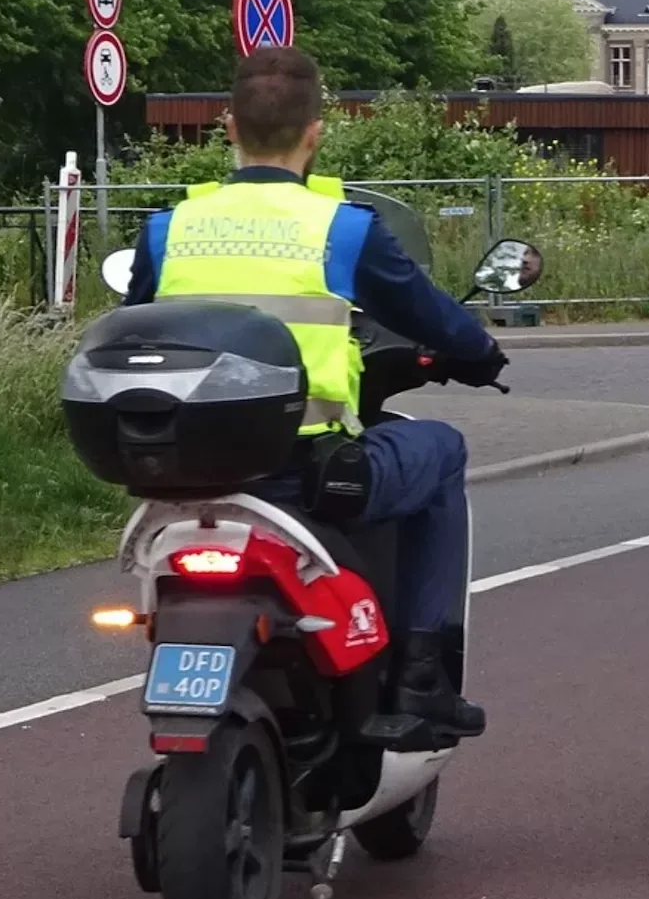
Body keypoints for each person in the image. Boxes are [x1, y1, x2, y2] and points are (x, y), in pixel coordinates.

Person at [123, 46, 504, 739]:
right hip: (307, 475)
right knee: (442, 449)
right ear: (315, 132)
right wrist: (480, 351)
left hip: (184, 477)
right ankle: (422, 674)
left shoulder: (168, 227)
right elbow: (431, 315)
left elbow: (133, 322)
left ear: (227, 127)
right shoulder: (341, 228)